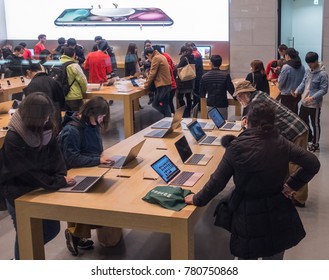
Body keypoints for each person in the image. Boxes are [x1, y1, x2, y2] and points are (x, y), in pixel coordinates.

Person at [185, 101, 320, 260]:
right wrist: (292, 185)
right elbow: (313, 163)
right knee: (274, 256)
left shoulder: (236, 147)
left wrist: (197, 199)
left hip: (248, 213)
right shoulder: (282, 142)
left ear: (247, 121)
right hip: (278, 209)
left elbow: (217, 182)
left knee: (247, 256)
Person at [0, 92, 76, 260]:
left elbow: (55, 152)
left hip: (40, 186)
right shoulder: (15, 137)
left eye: (48, 115)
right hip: (17, 190)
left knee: (51, 229)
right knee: (26, 234)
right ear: (32, 116)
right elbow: (26, 172)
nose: (47, 119)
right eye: (44, 116)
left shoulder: (45, 123)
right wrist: (57, 181)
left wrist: (61, 175)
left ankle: (22, 259)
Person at [233, 80, 310, 207]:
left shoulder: (257, 101)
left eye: (239, 96)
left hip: (296, 131)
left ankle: (299, 198)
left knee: (296, 165)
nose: (239, 99)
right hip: (293, 129)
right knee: (288, 164)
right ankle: (289, 191)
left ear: (245, 94)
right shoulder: (258, 96)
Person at [58, 96, 115, 256]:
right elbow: (72, 159)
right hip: (76, 173)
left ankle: (76, 234)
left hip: (91, 168)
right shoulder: (72, 130)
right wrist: (97, 160)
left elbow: (97, 147)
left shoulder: (92, 124)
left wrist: (100, 158)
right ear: (91, 113)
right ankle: (75, 233)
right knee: (95, 203)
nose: (102, 120)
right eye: (101, 116)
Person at [294, 51, 328, 152]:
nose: (309, 65)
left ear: (316, 61)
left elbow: (324, 90)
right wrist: (297, 91)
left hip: (314, 104)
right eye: (308, 63)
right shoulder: (308, 70)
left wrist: (312, 97)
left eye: (311, 63)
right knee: (302, 121)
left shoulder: (323, 74)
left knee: (315, 123)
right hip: (304, 101)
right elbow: (303, 82)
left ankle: (315, 143)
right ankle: (308, 138)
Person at [21, 60, 65, 129]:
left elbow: (29, 110)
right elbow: (62, 102)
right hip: (56, 122)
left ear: (28, 72)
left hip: (40, 126)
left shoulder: (31, 86)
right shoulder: (54, 81)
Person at [199, 54, 234, 119]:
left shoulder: (205, 76)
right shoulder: (225, 75)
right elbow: (231, 90)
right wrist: (236, 98)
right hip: (222, 103)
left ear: (211, 63)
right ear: (220, 63)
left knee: (212, 123)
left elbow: (202, 93)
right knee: (223, 123)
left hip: (210, 103)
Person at [143, 47, 172, 117]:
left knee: (155, 104)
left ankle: (168, 117)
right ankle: (168, 118)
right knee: (165, 104)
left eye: (147, 57)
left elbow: (152, 73)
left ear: (149, 54)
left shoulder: (156, 58)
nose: (148, 59)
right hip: (167, 83)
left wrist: (146, 84)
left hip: (163, 85)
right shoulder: (161, 56)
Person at [278, 47, 305, 114]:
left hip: (286, 95)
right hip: (297, 94)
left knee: (286, 114)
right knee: (295, 112)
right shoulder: (302, 67)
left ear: (287, 55)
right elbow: (303, 81)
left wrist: (280, 87)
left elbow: (281, 82)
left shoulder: (286, 67)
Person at [60, 47, 88, 111]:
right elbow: (82, 81)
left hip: (60, 95)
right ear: (74, 55)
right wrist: (83, 92)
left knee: (63, 118)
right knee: (75, 118)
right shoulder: (74, 65)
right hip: (74, 97)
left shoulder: (56, 63)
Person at [153, 45, 177, 114]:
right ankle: (171, 116)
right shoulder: (165, 56)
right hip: (171, 83)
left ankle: (169, 116)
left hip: (167, 84)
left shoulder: (160, 58)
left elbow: (154, 73)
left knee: (163, 103)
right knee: (168, 102)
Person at [175, 45, 196, 118]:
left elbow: (178, 68)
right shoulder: (192, 58)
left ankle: (184, 111)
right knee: (188, 97)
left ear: (185, 52)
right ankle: (188, 111)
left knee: (180, 97)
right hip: (190, 80)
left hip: (183, 82)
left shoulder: (184, 58)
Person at [185, 42, 204, 108]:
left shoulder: (194, 54)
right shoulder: (197, 52)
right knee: (197, 90)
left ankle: (197, 105)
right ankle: (197, 105)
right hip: (199, 75)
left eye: (187, 47)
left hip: (196, 76)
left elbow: (192, 66)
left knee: (196, 91)